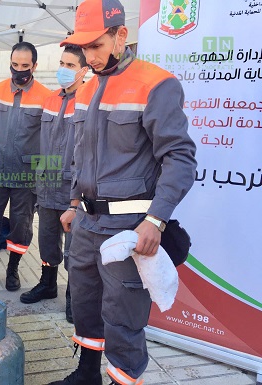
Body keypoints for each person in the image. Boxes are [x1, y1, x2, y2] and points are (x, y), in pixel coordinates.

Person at [50, 0, 197, 384]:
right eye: (83, 48)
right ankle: (86, 375)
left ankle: (124, 378)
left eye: (96, 46)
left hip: (128, 227)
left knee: (123, 316)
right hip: (85, 222)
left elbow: (179, 159)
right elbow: (81, 155)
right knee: (84, 302)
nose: (89, 56)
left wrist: (156, 220)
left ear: (120, 36)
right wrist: (72, 204)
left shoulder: (157, 84)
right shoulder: (85, 86)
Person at [19, 45, 89, 325]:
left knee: (76, 247)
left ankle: (75, 295)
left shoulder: (90, 99)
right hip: (47, 184)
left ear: (84, 70)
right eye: (62, 63)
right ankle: (48, 283)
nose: (64, 69)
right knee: (47, 240)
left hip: (75, 188)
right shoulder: (49, 100)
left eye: (70, 65)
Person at [0, 41, 52, 291]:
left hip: (26, 177)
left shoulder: (46, 97)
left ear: (35, 66)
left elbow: (49, 139)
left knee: (22, 226)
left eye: (25, 66)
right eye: (15, 65)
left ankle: (13, 270)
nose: (19, 70)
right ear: (10, 63)